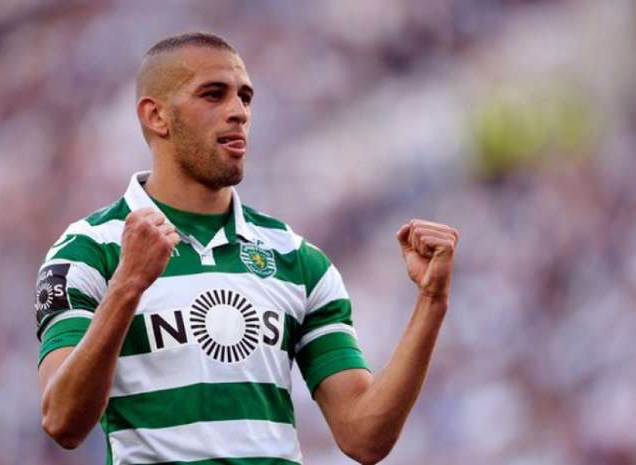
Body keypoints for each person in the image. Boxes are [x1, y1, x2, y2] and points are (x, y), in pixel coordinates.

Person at [34, 32, 459, 465]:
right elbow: (63, 420)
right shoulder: (88, 250)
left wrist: (432, 301)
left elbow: (364, 436)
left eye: (245, 97)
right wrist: (127, 285)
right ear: (156, 116)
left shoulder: (297, 259)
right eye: (213, 95)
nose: (238, 112)